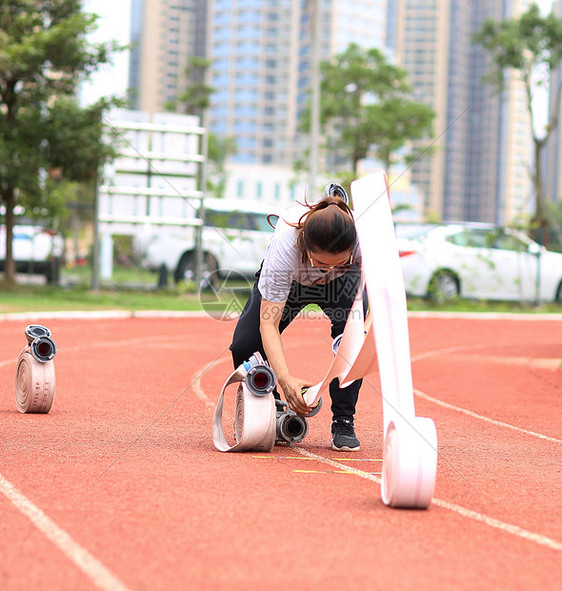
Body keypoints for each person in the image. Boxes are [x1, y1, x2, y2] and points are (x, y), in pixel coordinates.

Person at [229, 182, 364, 451]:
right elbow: (268, 323)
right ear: (306, 246)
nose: (328, 270)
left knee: (354, 343)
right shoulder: (286, 245)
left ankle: (343, 421)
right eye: (322, 263)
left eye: (340, 261)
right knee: (245, 344)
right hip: (292, 281)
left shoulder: (363, 240)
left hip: (343, 284)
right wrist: (285, 379)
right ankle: (274, 408)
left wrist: (358, 335)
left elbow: (381, 303)